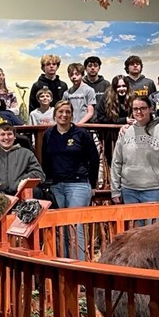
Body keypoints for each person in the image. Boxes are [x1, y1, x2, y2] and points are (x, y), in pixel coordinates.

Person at [41, 101, 99, 260]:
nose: (64, 115)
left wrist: (92, 184)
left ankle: (78, 267)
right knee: (61, 228)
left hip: (78, 184)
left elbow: (94, 159)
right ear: (55, 114)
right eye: (60, 112)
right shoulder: (48, 134)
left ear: (72, 115)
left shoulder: (82, 134)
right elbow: (45, 160)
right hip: (56, 186)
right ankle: (64, 266)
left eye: (67, 112)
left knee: (74, 227)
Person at [110, 96, 159, 205]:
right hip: (129, 190)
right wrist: (115, 189)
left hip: (155, 189)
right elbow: (116, 162)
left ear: (150, 109)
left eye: (143, 108)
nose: (139, 112)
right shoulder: (126, 132)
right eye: (135, 109)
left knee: (155, 223)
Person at [0, 123, 46, 196]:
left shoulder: (27, 153)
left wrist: (23, 181)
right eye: (3, 134)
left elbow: (39, 173)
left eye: (9, 134)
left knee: (36, 192)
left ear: (14, 136)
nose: (6, 138)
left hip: (20, 193)